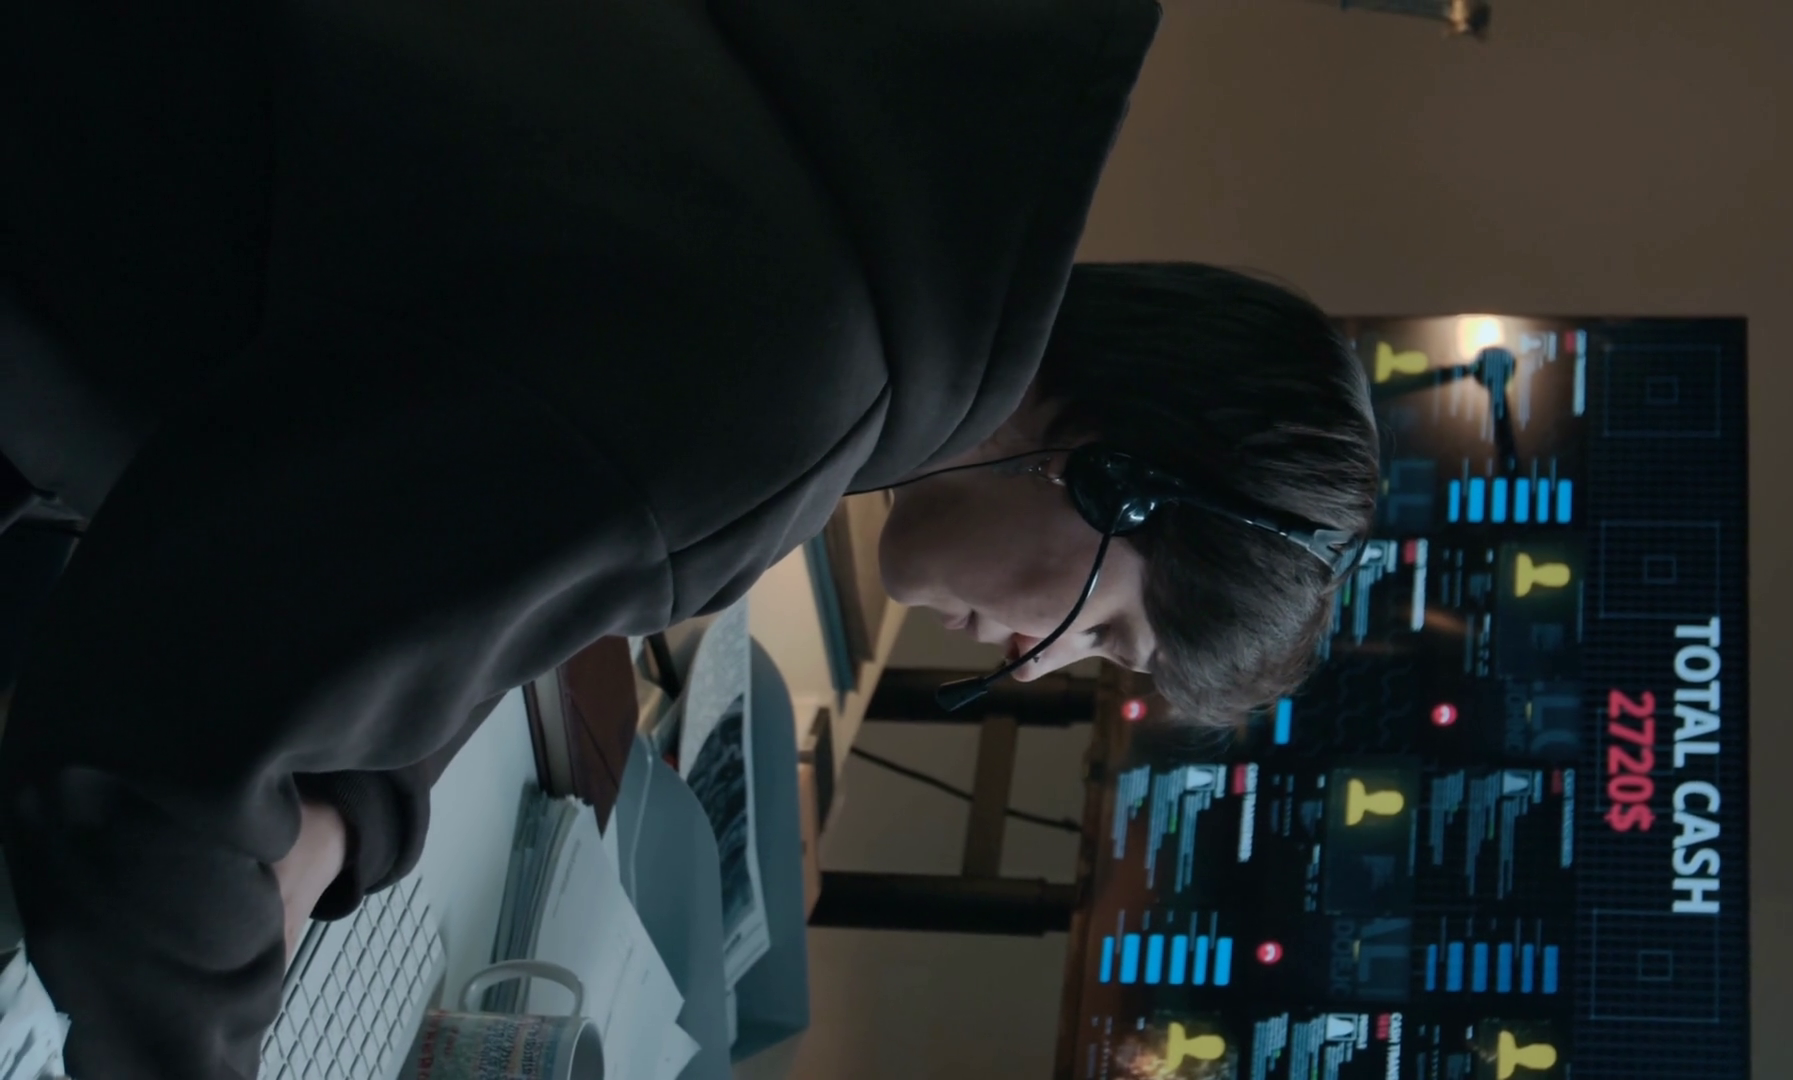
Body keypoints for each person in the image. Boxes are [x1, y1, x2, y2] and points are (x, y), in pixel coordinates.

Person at [0, 1, 1376, 1077]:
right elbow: (141, 760)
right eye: (1102, 627)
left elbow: (450, 511)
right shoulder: (763, 405)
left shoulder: (867, 200)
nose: (1030, 660)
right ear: (1114, 477)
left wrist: (357, 814)